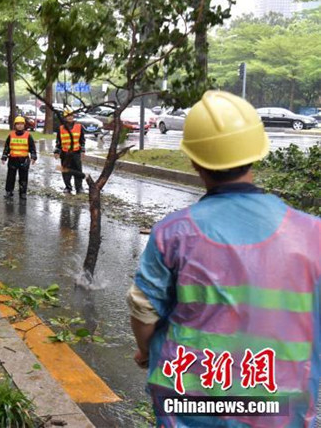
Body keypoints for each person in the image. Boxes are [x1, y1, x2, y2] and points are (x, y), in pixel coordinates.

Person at [127, 91, 321, 427]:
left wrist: (146, 351)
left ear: (194, 160)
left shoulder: (173, 233)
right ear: (256, 153)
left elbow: (144, 310)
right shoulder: (311, 233)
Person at [1, 116, 38, 198]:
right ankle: (9, 191)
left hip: (24, 160)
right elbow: (7, 147)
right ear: (15, 125)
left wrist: (33, 156)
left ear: (24, 125)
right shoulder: (11, 135)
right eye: (18, 124)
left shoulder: (28, 135)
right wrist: (4, 156)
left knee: (23, 178)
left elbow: (32, 147)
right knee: (10, 177)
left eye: (21, 124)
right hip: (13, 159)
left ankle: (23, 193)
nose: (20, 126)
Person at [54, 108, 85, 194]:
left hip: (76, 152)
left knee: (78, 170)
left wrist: (82, 150)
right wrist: (57, 151)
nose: (70, 117)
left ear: (73, 116)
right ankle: (68, 187)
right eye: (68, 116)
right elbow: (58, 141)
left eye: (71, 115)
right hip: (65, 153)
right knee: (66, 170)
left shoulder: (79, 127)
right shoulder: (60, 128)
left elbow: (82, 140)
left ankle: (79, 188)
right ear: (64, 117)